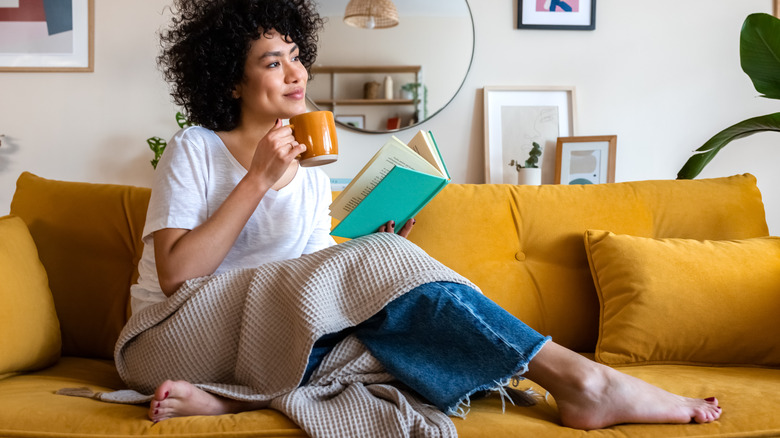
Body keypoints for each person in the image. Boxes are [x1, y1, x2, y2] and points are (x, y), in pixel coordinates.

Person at [128, 0, 722, 430]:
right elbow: (179, 274)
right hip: (173, 337)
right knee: (391, 317)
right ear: (232, 81)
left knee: (400, 338)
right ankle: (585, 380)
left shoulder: (309, 174)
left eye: (296, 57)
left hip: (263, 337)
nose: (296, 73)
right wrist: (257, 178)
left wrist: (374, 247)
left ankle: (234, 397)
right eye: (272, 62)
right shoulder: (196, 149)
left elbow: (308, 281)